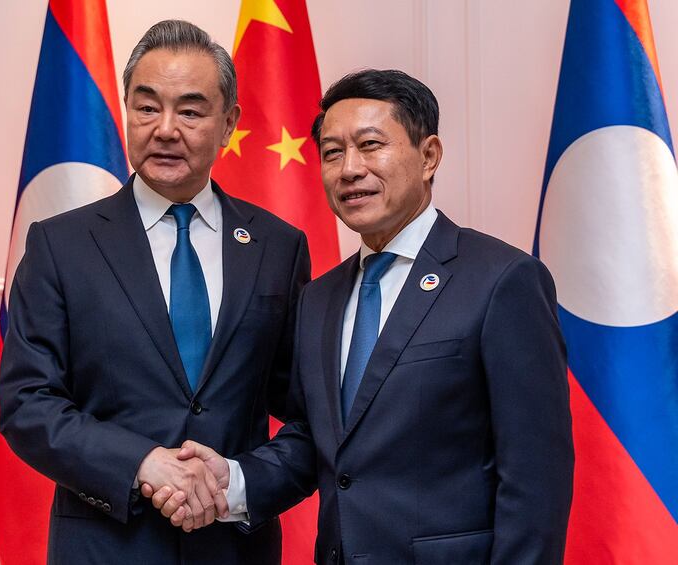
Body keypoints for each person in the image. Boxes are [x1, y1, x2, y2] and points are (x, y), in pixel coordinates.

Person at [150, 69, 575, 564]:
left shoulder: (502, 281)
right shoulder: (319, 299)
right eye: (332, 152)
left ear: (429, 156)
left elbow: (536, 475)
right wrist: (235, 481)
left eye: (371, 145)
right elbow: (320, 442)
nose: (350, 169)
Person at [0, 20, 310, 565]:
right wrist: (142, 463)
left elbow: (310, 415)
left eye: (190, 111)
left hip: (234, 548)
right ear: (125, 112)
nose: (165, 129)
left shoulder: (278, 247)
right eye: (147, 107)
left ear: (229, 123)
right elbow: (27, 403)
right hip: (104, 545)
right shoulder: (59, 244)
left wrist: (237, 483)